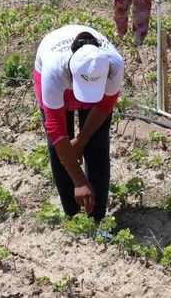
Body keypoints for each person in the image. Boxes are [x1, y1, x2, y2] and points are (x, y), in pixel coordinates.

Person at [33, 24, 124, 223]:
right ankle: (72, 215)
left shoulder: (114, 65)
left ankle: (97, 218)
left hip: (89, 78)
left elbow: (104, 105)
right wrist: (79, 181)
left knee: (97, 145)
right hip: (55, 76)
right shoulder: (54, 70)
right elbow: (56, 130)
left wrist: (81, 140)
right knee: (59, 150)